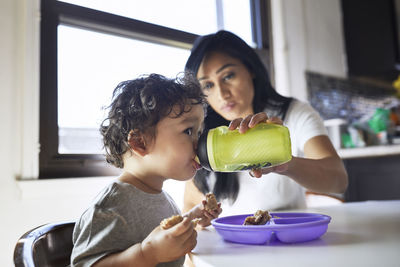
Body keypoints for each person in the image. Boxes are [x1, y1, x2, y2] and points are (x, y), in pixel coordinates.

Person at [183, 30, 348, 216]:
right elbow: (190, 204)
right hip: (228, 243)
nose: (222, 94)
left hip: (288, 241)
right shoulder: (204, 135)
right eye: (208, 85)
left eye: (228, 76)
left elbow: (338, 180)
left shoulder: (292, 114)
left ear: (250, 69)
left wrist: (285, 164)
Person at [70, 73, 222, 267]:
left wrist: (192, 219)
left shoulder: (162, 198)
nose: (199, 143)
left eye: (199, 132)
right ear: (140, 142)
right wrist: (147, 253)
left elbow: (159, 234)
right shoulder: (110, 207)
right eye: (188, 131)